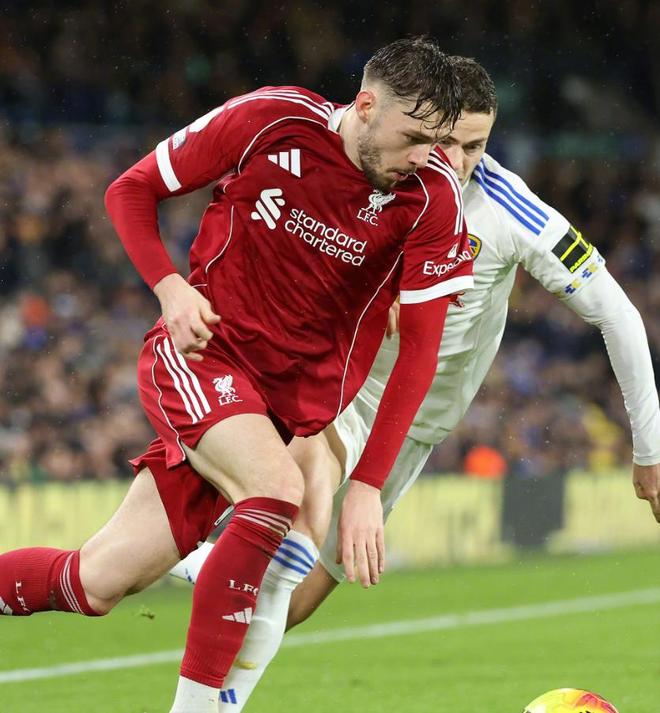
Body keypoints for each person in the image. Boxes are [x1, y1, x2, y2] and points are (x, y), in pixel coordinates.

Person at [172, 56, 660, 712]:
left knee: (296, 599)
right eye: (446, 141)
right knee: (293, 532)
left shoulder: (509, 208)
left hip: (417, 423)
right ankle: (202, 621)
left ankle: (204, 570)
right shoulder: (380, 175)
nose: (456, 160)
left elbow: (617, 313)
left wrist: (650, 450)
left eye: (476, 146)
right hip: (344, 389)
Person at [0, 38, 473, 712]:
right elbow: (130, 189)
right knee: (277, 490)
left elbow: (421, 353)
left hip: (275, 411)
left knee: (95, 582)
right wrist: (169, 287)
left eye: (437, 142)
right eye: (413, 137)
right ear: (366, 106)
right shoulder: (271, 120)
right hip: (203, 356)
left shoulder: (432, 199)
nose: (425, 157)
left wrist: (369, 485)